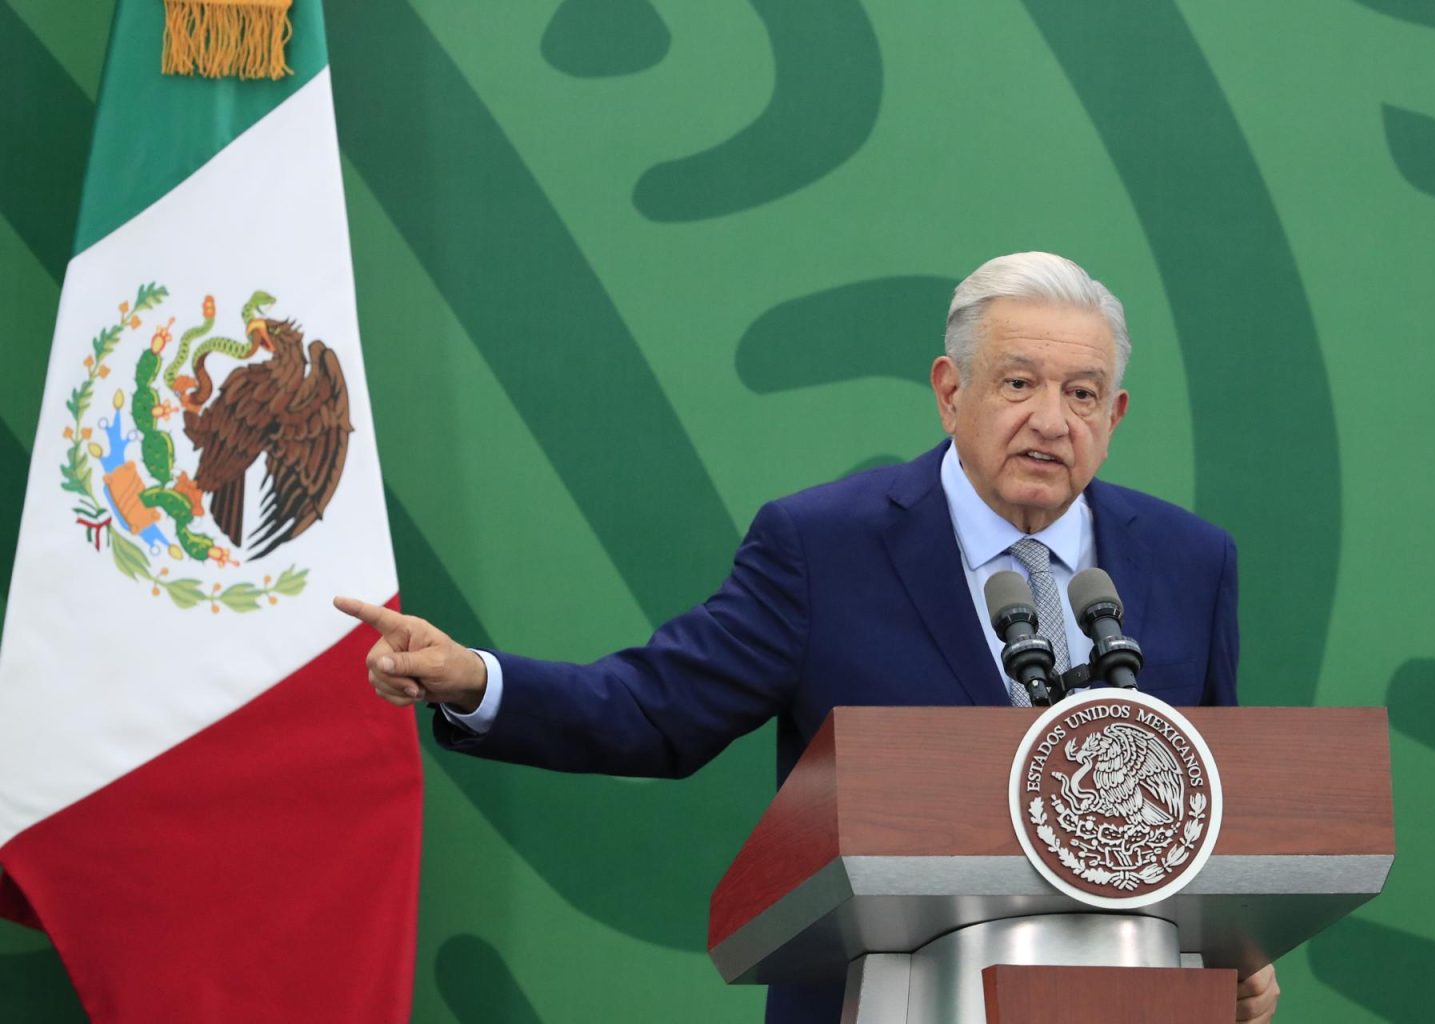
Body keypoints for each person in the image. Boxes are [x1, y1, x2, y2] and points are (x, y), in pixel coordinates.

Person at [336, 252, 1280, 1023]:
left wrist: (1235, 948)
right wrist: (474, 682)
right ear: (950, 392)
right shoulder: (824, 546)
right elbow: (656, 712)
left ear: (1113, 416)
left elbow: (1212, 802)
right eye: (1019, 383)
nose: (1050, 420)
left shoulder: (1191, 560)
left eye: (1082, 394)